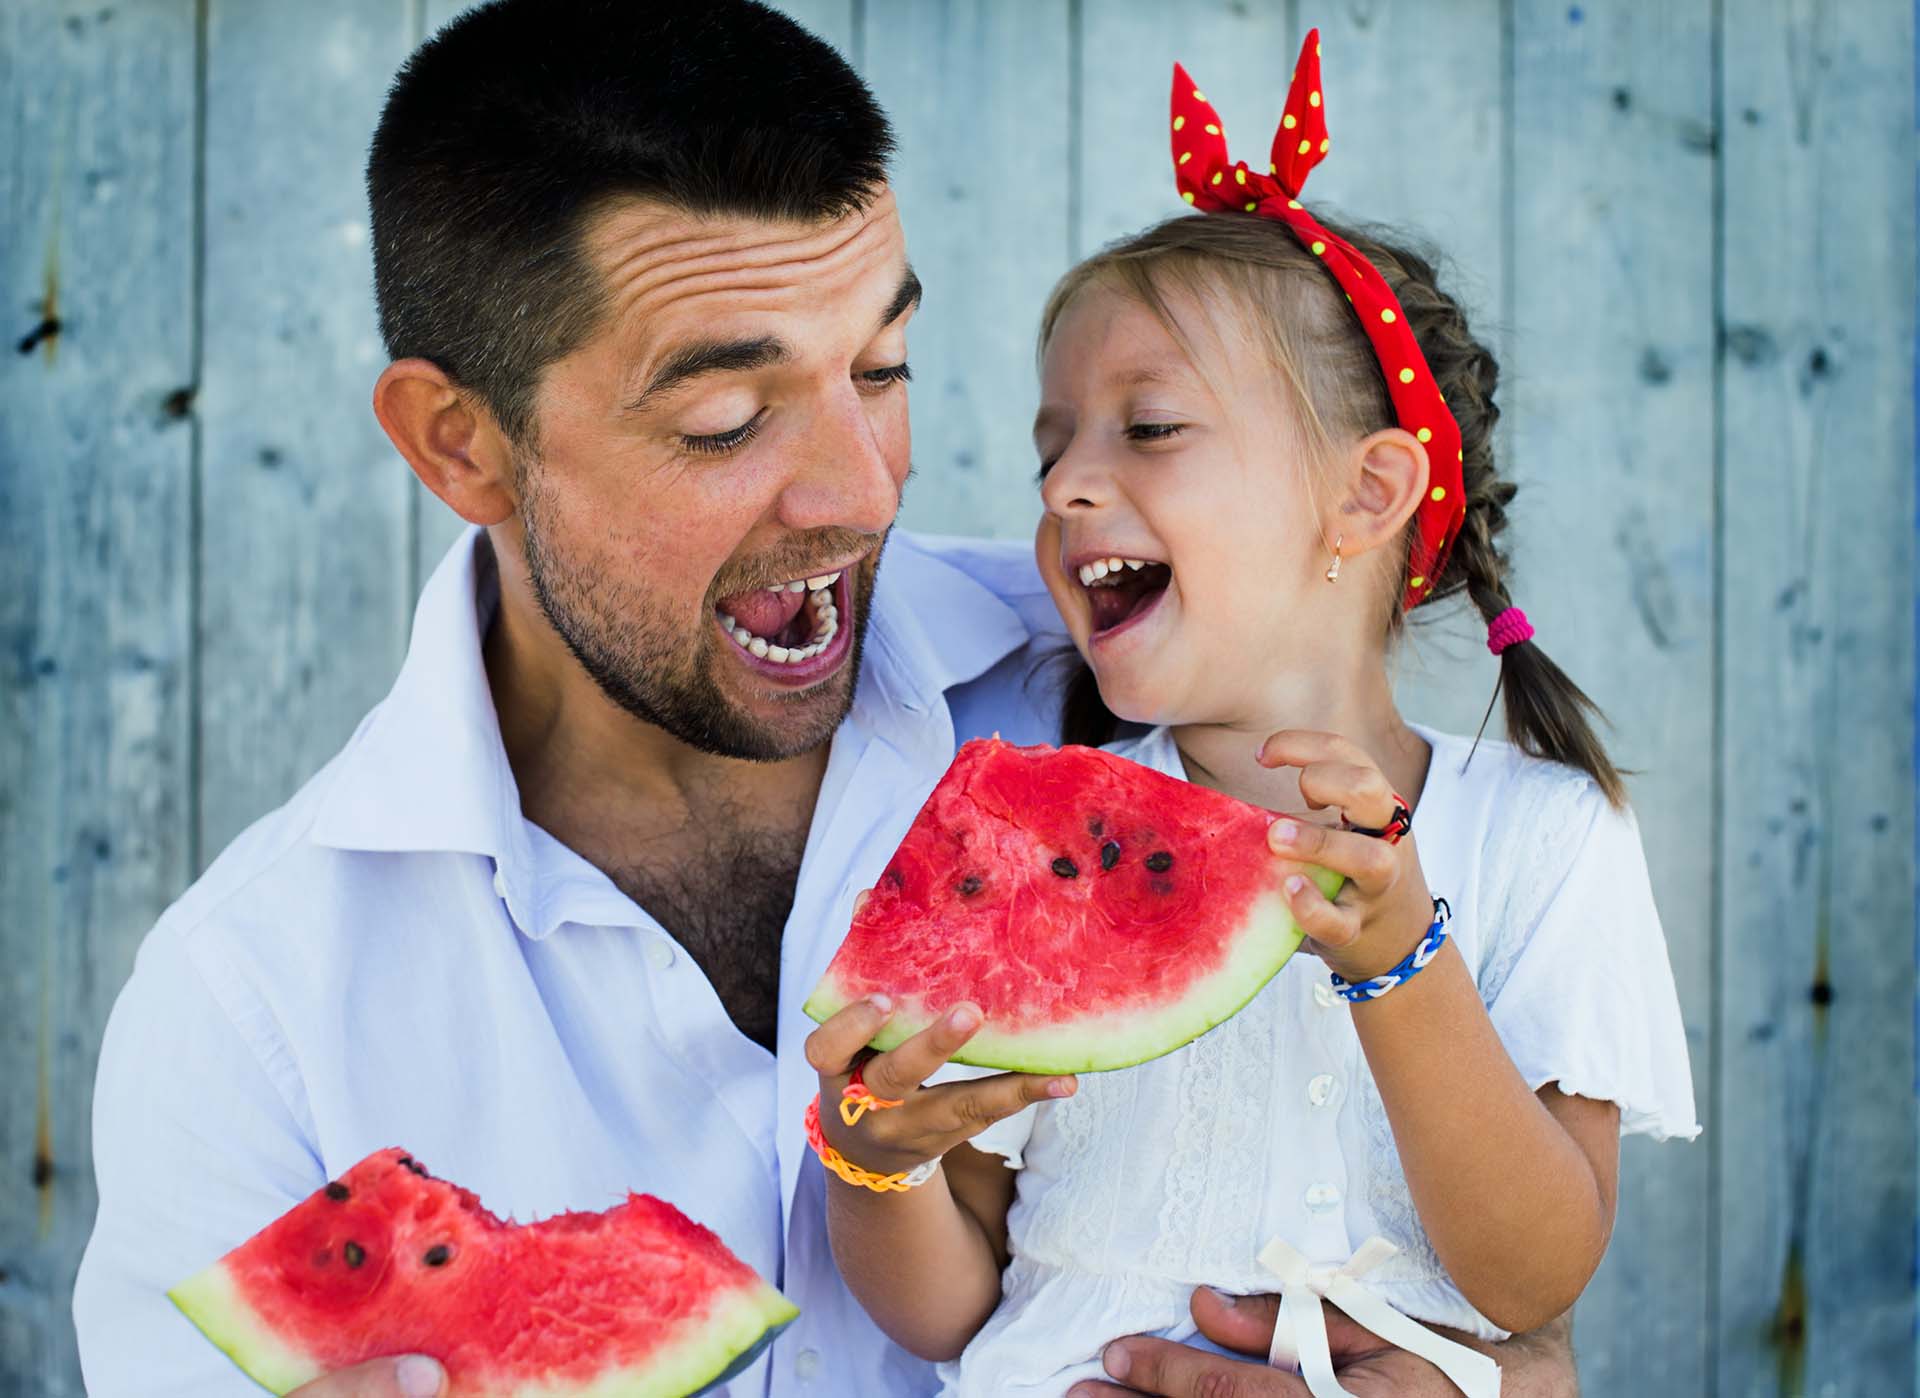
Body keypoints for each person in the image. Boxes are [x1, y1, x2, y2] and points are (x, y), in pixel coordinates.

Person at [75, 5, 1586, 1395]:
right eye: (726, 418)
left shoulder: (1139, 680)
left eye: (884, 368)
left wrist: (1520, 1381)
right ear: (460, 445)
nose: (866, 494)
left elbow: (1493, 1275)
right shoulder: (251, 1015)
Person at [802, 34, 1698, 1398]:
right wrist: (870, 1153)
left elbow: (1536, 1273)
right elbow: (946, 1305)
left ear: (1366, 493)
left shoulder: (1544, 835)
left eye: (1146, 428)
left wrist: (1402, 962)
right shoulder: (1026, 833)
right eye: (1055, 446)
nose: (1067, 488)